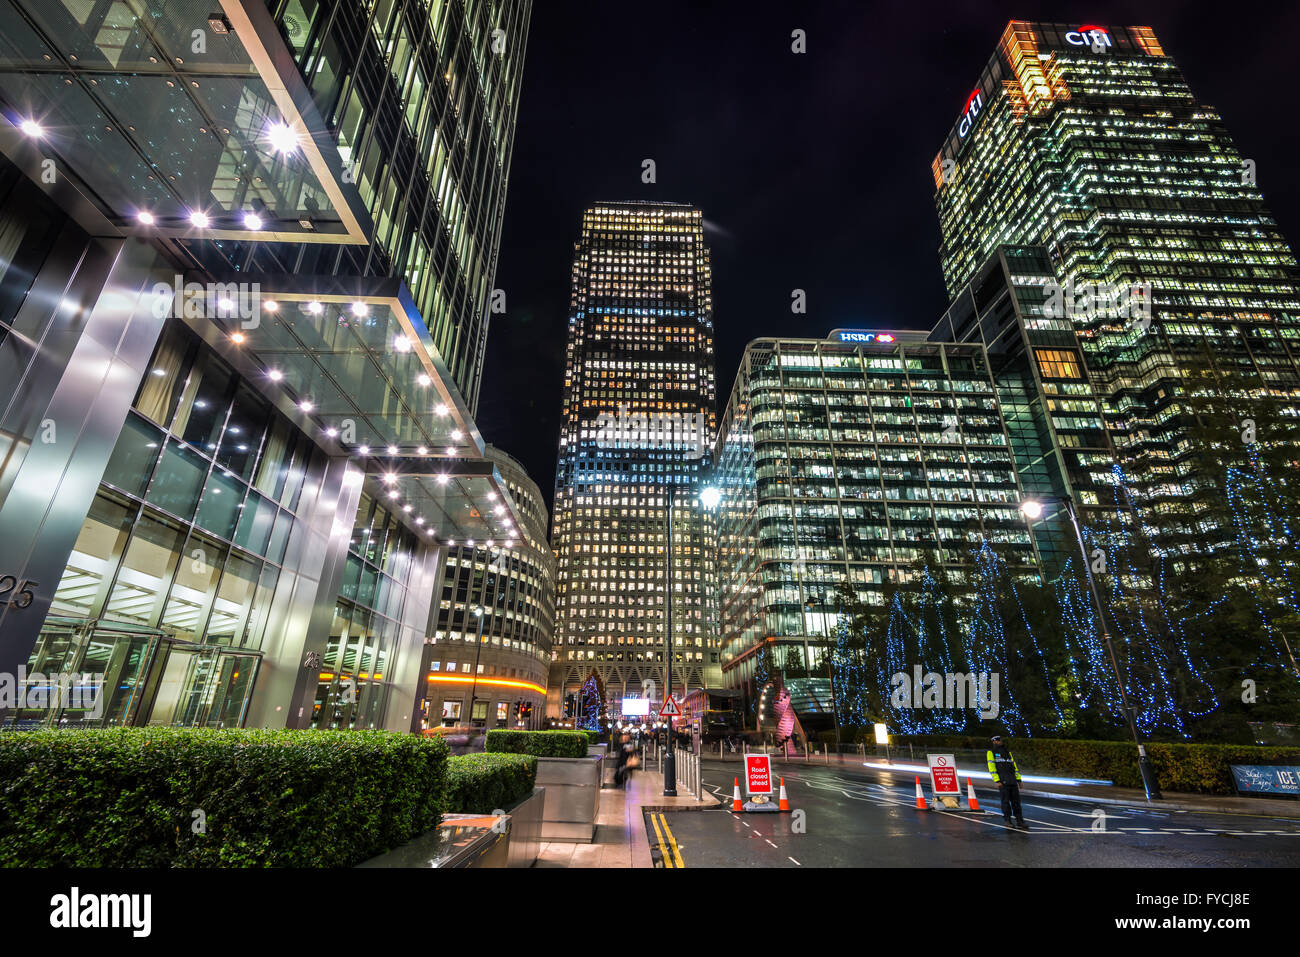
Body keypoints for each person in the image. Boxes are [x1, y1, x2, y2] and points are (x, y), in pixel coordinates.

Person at [986, 735, 1028, 830]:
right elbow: (991, 768)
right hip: (1003, 781)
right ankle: (1008, 820)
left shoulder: (1008, 752)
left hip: (1012, 780)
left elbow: (1014, 767)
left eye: (1000, 740)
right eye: (998, 740)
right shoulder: (991, 752)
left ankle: (1019, 820)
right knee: (1005, 802)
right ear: (994, 742)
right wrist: (997, 780)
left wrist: (1019, 780)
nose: (1000, 742)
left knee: (1016, 803)